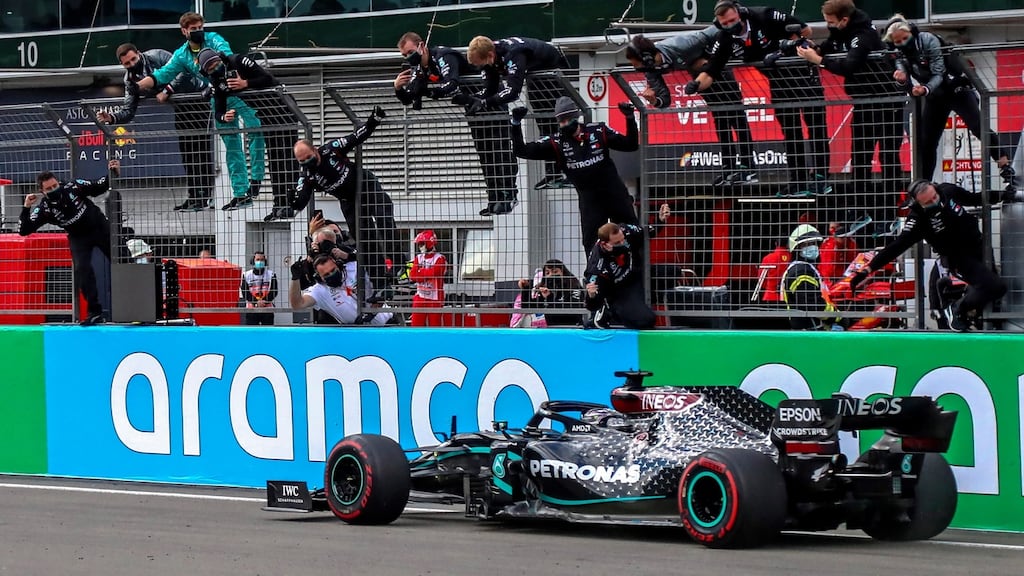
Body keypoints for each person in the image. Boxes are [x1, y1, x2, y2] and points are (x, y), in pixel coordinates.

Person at [692, 0, 831, 197]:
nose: (730, 25)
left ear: (740, 14)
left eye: (733, 20)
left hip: (803, 75)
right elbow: (711, 70)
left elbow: (805, 31)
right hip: (778, 82)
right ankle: (797, 180)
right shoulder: (726, 38)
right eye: (725, 23)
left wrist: (783, 51)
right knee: (791, 132)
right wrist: (695, 85)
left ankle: (820, 177)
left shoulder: (764, 16)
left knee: (816, 126)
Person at [134, 11, 265, 210]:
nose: (198, 32)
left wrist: (214, 60)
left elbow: (226, 54)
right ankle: (241, 193)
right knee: (232, 146)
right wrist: (137, 86)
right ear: (184, 31)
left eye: (200, 28)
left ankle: (256, 181)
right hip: (218, 97)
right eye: (193, 29)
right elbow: (163, 73)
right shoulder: (181, 54)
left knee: (255, 130)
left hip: (238, 91)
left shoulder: (214, 39)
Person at [849, 179, 1008, 332]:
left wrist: (1004, 195)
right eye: (928, 202)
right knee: (995, 286)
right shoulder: (918, 220)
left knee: (994, 292)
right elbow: (896, 247)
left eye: (934, 197)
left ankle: (974, 316)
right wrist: (868, 269)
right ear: (918, 204)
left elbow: (975, 198)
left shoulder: (948, 191)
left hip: (980, 246)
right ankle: (955, 310)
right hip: (959, 258)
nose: (935, 201)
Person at [798, 0, 905, 226]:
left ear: (844, 20)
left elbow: (850, 66)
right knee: (860, 158)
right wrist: (815, 50)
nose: (829, 26)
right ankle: (858, 210)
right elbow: (830, 43)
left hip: (887, 102)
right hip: (863, 102)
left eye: (831, 22)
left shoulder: (863, 35)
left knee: (887, 157)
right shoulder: (840, 32)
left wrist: (818, 61)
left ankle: (889, 213)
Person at [394, 32, 519, 217]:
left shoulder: (444, 56)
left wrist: (430, 93)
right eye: (404, 55)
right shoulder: (419, 68)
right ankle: (494, 198)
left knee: (499, 151)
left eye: (410, 52)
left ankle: (509, 194)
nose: (408, 57)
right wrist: (397, 87)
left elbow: (451, 84)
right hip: (472, 107)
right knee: (485, 154)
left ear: (422, 46)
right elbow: (409, 98)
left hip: (490, 100)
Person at [882, 14, 1013, 183]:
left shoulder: (928, 40)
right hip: (934, 96)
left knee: (977, 126)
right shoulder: (897, 52)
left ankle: (1004, 165)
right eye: (898, 41)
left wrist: (925, 88)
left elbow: (939, 72)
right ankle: (925, 184)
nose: (902, 44)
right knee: (927, 141)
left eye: (905, 38)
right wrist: (901, 80)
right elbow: (904, 78)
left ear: (911, 32)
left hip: (955, 87)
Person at [289, 106, 403, 293]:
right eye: (302, 161)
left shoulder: (330, 150)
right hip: (348, 200)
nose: (307, 163)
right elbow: (300, 201)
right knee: (365, 240)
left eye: (309, 158)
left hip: (365, 185)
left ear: (315, 151)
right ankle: (381, 284)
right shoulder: (307, 175)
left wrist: (373, 120)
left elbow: (356, 137)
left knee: (383, 220)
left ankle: (398, 262)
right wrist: (291, 201)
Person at [626, 32, 757, 186]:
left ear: (646, 57)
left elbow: (715, 32)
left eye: (636, 64)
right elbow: (665, 100)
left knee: (737, 117)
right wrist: (654, 100)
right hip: (699, 79)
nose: (635, 68)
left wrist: (710, 61)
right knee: (721, 122)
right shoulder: (649, 69)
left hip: (717, 69)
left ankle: (749, 168)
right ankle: (729, 168)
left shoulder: (680, 43)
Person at [511, 96, 639, 251]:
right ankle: (595, 273)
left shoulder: (598, 130)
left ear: (576, 117)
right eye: (561, 121)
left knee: (633, 233)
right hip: (590, 201)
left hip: (615, 194)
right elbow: (521, 151)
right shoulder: (556, 142)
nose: (564, 124)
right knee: (592, 243)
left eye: (567, 120)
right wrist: (516, 124)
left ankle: (638, 271)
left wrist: (629, 118)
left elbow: (630, 145)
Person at [97, 43, 214, 212]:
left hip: (198, 98)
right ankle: (194, 196)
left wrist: (167, 89)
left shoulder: (157, 55)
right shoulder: (130, 79)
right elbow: (129, 110)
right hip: (181, 107)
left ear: (139, 53)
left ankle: (205, 196)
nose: (131, 64)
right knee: (187, 153)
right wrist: (112, 117)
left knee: (199, 151)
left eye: (133, 59)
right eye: (127, 63)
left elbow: (183, 69)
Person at [196, 47, 298, 222]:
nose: (215, 68)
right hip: (266, 116)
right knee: (274, 160)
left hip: (283, 110)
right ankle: (278, 205)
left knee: (287, 158)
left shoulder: (238, 61)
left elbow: (267, 78)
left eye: (215, 64)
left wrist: (245, 84)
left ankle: (291, 202)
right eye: (210, 68)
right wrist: (223, 116)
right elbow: (219, 108)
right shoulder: (217, 80)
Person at [19, 160, 121, 326]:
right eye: (49, 189)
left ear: (59, 182)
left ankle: (136, 305)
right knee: (82, 269)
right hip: (78, 236)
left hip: (99, 226)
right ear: (42, 191)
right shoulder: (44, 208)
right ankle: (95, 312)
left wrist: (113, 172)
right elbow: (24, 230)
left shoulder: (73, 186)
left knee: (122, 260)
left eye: (55, 185)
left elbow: (98, 186)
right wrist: (26, 208)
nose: (54, 190)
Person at [467, 35, 570, 193]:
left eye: (479, 64)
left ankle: (568, 170)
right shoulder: (491, 58)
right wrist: (475, 100)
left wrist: (485, 102)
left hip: (553, 69)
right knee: (544, 124)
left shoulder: (513, 53)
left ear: (489, 55)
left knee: (556, 122)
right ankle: (553, 173)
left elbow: (513, 92)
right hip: (537, 73)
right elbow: (490, 88)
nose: (479, 68)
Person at [583, 204, 671, 330]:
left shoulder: (625, 230)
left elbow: (646, 232)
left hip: (635, 273)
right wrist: (591, 295)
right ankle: (608, 312)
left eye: (622, 239)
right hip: (619, 291)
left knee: (673, 272)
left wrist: (660, 221)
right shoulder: (597, 266)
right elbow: (591, 305)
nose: (622, 242)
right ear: (605, 244)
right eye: (617, 242)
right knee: (646, 320)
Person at [289, 254, 393, 326]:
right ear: (319, 277)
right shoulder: (319, 290)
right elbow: (297, 304)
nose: (331, 274)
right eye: (326, 275)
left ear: (337, 264)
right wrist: (295, 278)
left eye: (333, 270)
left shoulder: (355, 267)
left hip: (388, 322)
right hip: (358, 331)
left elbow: (380, 281)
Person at [780, 224, 840, 330]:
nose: (813, 247)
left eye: (814, 243)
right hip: (809, 329)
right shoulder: (801, 271)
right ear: (796, 247)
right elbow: (813, 304)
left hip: (811, 328)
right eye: (807, 244)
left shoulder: (803, 268)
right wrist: (837, 316)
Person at [515, 259, 584, 327]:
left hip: (573, 329)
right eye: (547, 273)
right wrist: (526, 288)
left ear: (563, 273)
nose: (551, 275)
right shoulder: (546, 288)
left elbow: (574, 310)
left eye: (555, 272)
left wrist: (549, 298)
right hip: (552, 329)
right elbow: (528, 308)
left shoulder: (574, 286)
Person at [407, 230, 447, 327]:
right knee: (416, 326)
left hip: (435, 298)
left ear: (429, 243)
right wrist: (426, 274)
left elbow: (436, 272)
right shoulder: (419, 257)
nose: (420, 246)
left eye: (422, 243)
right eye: (419, 244)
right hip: (420, 297)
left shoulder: (440, 258)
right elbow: (413, 275)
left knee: (435, 326)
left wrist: (420, 272)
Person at [240, 250, 278, 325]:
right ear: (253, 261)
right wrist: (256, 302)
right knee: (252, 333)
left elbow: (274, 291)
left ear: (265, 262)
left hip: (267, 309)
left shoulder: (271, 274)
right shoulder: (246, 275)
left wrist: (264, 301)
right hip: (251, 310)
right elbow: (245, 292)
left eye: (262, 260)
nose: (260, 262)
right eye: (257, 260)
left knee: (268, 333)